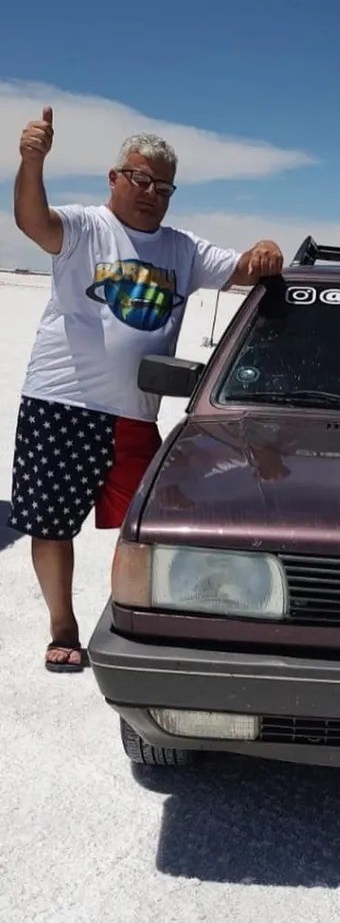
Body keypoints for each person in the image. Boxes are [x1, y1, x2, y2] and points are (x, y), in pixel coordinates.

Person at [8, 106, 285, 672]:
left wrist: (264, 249)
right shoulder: (86, 228)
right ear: (114, 178)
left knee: (156, 524)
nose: (151, 194)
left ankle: (142, 613)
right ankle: (63, 626)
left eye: (163, 187)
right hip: (62, 403)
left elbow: (244, 269)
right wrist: (32, 163)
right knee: (52, 524)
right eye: (140, 180)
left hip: (135, 414)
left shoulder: (182, 249)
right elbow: (33, 222)